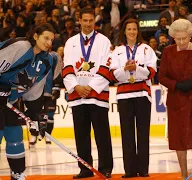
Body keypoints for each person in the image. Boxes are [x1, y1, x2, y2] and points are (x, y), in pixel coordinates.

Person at [158, 19, 192, 180]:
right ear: (173, 37)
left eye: (184, 38)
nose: (181, 42)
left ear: (190, 35)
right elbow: (161, 76)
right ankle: (183, 174)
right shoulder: (168, 52)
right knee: (179, 138)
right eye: (177, 39)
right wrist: (175, 85)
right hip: (176, 100)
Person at [62, 7, 113, 179]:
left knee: (102, 134)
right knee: (81, 135)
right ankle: (85, 169)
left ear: (95, 21)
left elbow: (107, 67)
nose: (88, 24)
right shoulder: (71, 42)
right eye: (85, 20)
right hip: (78, 97)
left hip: (97, 96)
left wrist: (90, 87)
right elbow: (67, 67)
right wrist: (76, 87)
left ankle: (105, 168)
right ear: (79, 21)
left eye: (91, 20)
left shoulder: (104, 41)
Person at [0, 23, 55, 180]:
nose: (49, 43)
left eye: (51, 40)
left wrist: (35, 113)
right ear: (35, 36)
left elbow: (33, 92)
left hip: (10, 101)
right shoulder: (21, 46)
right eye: (46, 38)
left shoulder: (47, 61)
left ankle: (17, 174)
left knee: (15, 135)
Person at [108, 18, 157, 178]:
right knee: (127, 133)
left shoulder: (146, 49)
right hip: (124, 95)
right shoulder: (117, 51)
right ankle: (129, 170)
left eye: (134, 29)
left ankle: (143, 170)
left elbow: (152, 71)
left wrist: (136, 69)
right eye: (129, 29)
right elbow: (112, 74)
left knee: (143, 132)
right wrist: (125, 69)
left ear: (138, 31)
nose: (132, 32)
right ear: (124, 31)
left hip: (142, 94)